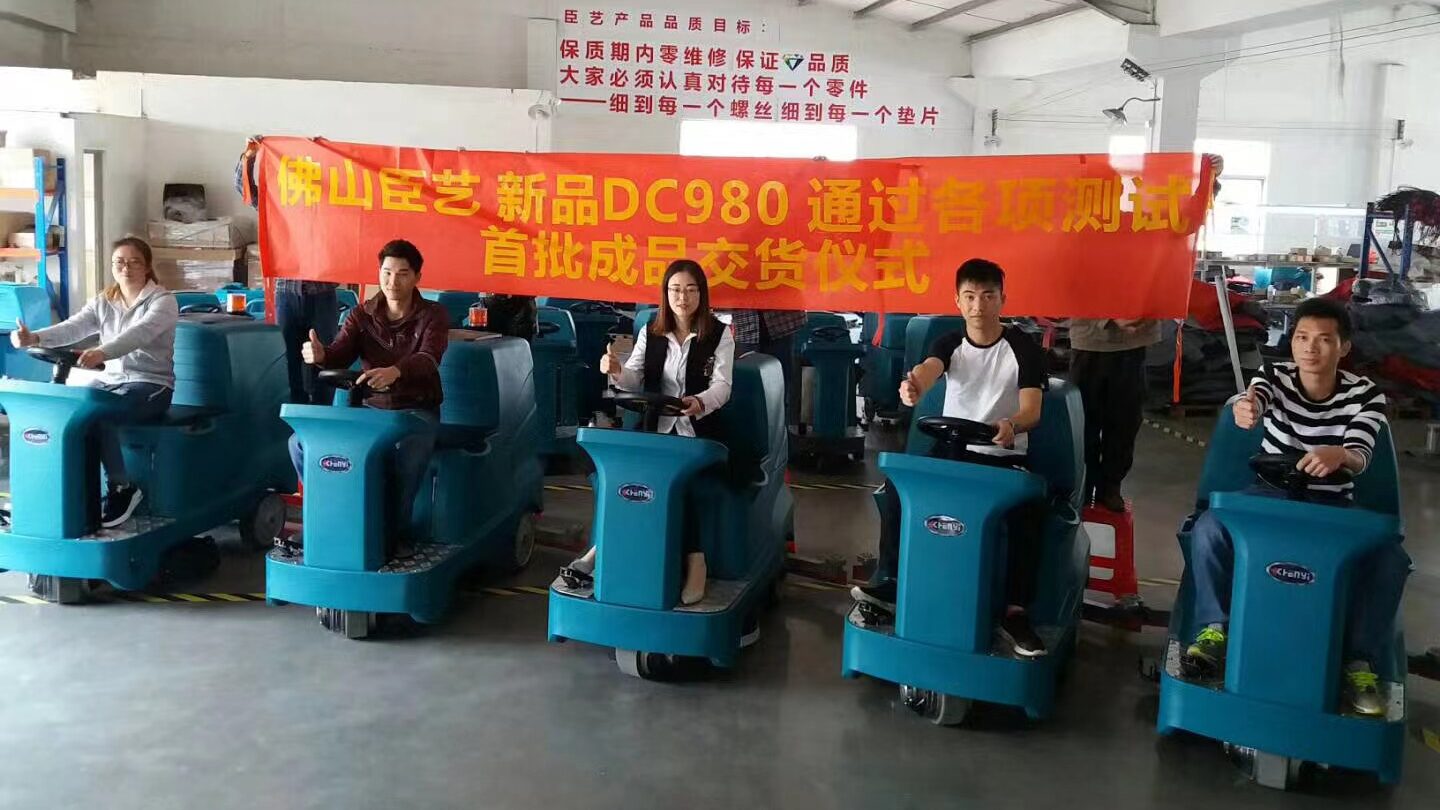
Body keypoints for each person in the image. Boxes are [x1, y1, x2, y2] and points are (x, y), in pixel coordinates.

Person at [1180, 297, 1411, 717]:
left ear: (1343, 347)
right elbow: (1258, 397)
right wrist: (1249, 408)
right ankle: (1214, 631)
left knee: (1389, 559)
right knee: (1210, 528)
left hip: (1332, 505)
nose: (1310, 348)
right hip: (1270, 498)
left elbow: (1360, 452)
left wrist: (1341, 456)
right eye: (1302, 337)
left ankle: (1359, 662)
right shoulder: (1275, 376)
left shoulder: (1366, 395)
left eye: (1324, 339)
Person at [852, 259, 1050, 657]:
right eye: (970, 297)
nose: (979, 306)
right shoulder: (949, 343)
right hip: (953, 452)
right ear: (957, 301)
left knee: (1029, 513)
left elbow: (1032, 410)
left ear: (1002, 300)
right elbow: (928, 370)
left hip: (1002, 455)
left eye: (988, 297)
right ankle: (893, 582)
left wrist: (1012, 424)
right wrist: (913, 386)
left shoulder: (1023, 349)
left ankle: (1015, 611)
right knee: (897, 489)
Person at [563, 259, 736, 605]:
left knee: (679, 483)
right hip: (653, 430)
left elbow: (723, 387)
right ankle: (601, 550)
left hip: (699, 434)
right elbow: (633, 378)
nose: (682, 298)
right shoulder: (651, 332)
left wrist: (700, 402)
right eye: (675, 290)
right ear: (665, 294)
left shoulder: (720, 335)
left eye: (690, 290)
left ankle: (696, 562)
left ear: (701, 294)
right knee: (627, 481)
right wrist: (615, 369)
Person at [291, 239, 449, 556]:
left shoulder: (433, 315)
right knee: (300, 443)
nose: (393, 281)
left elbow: (429, 357)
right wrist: (321, 355)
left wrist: (397, 371)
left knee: (408, 452)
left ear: (417, 277)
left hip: (416, 412)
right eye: (387, 272)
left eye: (402, 274)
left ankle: (395, 532)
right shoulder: (361, 315)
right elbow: (339, 353)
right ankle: (329, 518)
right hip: (369, 411)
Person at [10, 237, 179, 528]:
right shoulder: (105, 301)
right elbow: (73, 327)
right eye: (119, 262)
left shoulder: (162, 302)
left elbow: (139, 334)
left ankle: (122, 487)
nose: (126, 268)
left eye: (134, 262)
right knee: (71, 413)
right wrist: (35, 337)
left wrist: (103, 352)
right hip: (111, 382)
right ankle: (73, 488)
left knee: (99, 414)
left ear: (147, 266)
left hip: (150, 384)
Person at [1068, 317, 1161, 511]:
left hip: (1133, 342)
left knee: (1125, 421)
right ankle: (1084, 484)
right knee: (1083, 422)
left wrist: (1145, 315)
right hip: (1089, 339)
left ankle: (1111, 484)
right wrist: (1108, 316)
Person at [729, 309, 803, 429]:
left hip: (780, 322)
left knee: (779, 392)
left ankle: (779, 436)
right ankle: (748, 435)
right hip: (745, 324)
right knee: (744, 391)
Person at [276, 278, 340, 404]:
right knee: (287, 363)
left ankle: (322, 412)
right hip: (286, 290)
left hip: (323, 292)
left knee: (325, 359)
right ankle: (294, 412)